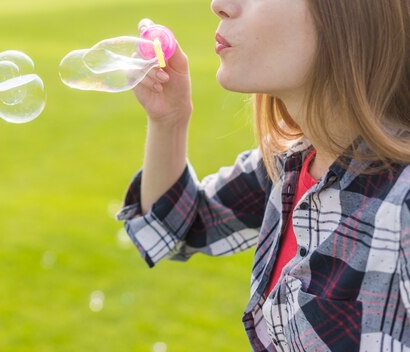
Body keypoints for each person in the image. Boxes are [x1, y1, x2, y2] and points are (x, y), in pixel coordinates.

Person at [116, 0, 410, 350]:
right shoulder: (287, 165)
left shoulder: (401, 205)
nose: (219, 5)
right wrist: (169, 120)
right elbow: (175, 227)